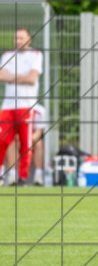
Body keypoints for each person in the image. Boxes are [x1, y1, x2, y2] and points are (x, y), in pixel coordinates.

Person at [0, 28, 43, 187]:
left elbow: (32, 78)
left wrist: (10, 77)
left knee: (26, 143)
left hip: (26, 105)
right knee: (3, 139)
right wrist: (20, 77)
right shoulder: (7, 55)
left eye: (21, 38)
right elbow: (0, 75)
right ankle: (5, 175)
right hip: (7, 106)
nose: (18, 41)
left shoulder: (36, 55)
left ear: (29, 39)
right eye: (16, 38)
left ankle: (22, 177)